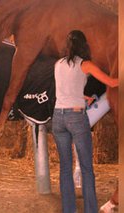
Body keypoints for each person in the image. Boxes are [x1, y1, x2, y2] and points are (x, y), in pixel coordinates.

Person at [52, 30, 118, 213]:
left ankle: (69, 210)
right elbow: (112, 83)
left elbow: (64, 90)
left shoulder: (58, 64)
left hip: (58, 118)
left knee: (65, 169)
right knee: (87, 168)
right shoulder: (85, 64)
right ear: (84, 45)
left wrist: (82, 97)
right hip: (76, 117)